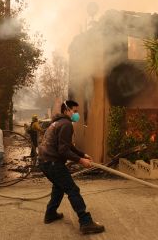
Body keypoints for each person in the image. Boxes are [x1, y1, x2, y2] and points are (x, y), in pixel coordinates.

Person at [37, 100, 105, 235]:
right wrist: (81, 160)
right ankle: (86, 222)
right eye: (74, 111)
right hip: (53, 162)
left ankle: (50, 214)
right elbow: (63, 150)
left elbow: (67, 145)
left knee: (59, 187)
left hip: (44, 161)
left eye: (77, 112)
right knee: (72, 189)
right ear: (66, 110)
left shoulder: (56, 123)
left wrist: (82, 154)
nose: (76, 114)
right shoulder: (67, 124)